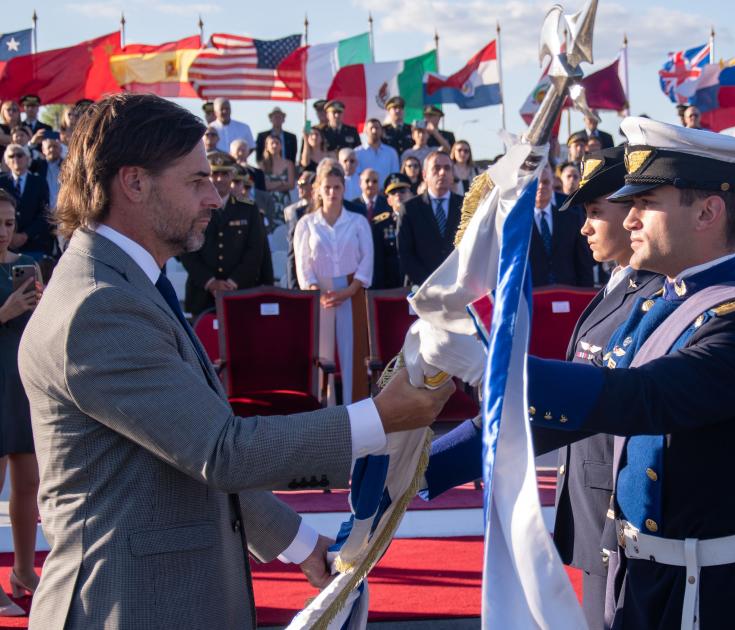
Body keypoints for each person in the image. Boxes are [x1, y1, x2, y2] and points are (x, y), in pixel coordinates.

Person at [18, 94, 452, 629]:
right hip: (126, 604)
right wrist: (380, 418)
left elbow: (180, 449)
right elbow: (218, 450)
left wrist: (297, 543)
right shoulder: (100, 305)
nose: (214, 198)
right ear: (133, 183)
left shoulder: (123, 284)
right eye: (196, 181)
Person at [430, 118, 735, 629]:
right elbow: (573, 418)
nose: (629, 219)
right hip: (643, 585)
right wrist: (424, 466)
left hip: (722, 596)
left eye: (646, 203)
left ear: (707, 211)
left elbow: (637, 398)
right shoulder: (660, 303)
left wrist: (495, 365)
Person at [294, 163, 374, 405]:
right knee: (321, 355)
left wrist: (350, 290)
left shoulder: (358, 222)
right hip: (321, 293)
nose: (332, 192)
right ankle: (323, 411)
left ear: (344, 188)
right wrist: (315, 290)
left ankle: (356, 410)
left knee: (354, 355)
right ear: (318, 189)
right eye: (327, 187)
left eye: (336, 187)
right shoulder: (306, 224)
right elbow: (302, 264)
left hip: (353, 291)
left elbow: (368, 258)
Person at [0, 190, 43, 617]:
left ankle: (25, 570)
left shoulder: (25, 267)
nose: (3, 231)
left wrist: (40, 305)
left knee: (29, 483)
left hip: (22, 381)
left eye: (9, 224)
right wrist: (5, 309)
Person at [179, 152, 269, 316]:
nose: (219, 179)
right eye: (215, 174)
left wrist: (232, 283)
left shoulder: (248, 209)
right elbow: (187, 250)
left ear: (232, 176)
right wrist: (211, 282)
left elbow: (255, 251)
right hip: (202, 295)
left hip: (240, 293)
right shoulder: (192, 207)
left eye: (225, 174)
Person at [397, 150, 462, 286]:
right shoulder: (409, 209)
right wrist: (430, 283)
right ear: (425, 175)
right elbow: (405, 253)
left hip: (458, 286)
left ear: (452, 174)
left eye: (447, 168)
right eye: (436, 168)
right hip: (422, 288)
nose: (442, 173)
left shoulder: (466, 206)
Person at [529, 165, 594, 287]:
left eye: (545, 182)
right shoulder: (519, 218)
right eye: (536, 182)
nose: (541, 186)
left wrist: (587, 297)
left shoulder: (571, 211)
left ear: (553, 181)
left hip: (568, 292)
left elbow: (583, 259)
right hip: (534, 296)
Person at [0, 144, 53, 257]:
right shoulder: (1, 182)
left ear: (27, 159)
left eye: (19, 155)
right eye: (11, 156)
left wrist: (25, 235)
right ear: (6, 162)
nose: (16, 159)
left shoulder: (39, 182)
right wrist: (11, 235)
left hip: (34, 245)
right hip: (5, 246)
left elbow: (45, 213)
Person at [371, 172, 413, 290]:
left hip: (417, 285)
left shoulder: (421, 220)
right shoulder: (380, 224)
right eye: (393, 193)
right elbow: (378, 262)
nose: (398, 195)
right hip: (390, 286)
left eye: (403, 191)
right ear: (388, 200)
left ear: (411, 194)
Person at [284, 170, 317, 289]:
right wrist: (292, 286)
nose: (299, 187)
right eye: (298, 184)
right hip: (305, 281)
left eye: (303, 183)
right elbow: (293, 253)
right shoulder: (295, 213)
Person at [259, 134, 297, 223]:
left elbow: (291, 185)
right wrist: (282, 182)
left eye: (277, 143)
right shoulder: (263, 165)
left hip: (284, 202)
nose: (274, 145)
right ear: (267, 146)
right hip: (268, 202)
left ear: (281, 146)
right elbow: (264, 185)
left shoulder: (288, 164)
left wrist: (273, 184)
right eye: (272, 143)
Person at [354, 119, 399, 183]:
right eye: (371, 128)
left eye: (377, 128)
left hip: (386, 191)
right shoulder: (357, 153)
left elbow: (395, 175)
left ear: (382, 131)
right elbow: (356, 175)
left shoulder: (391, 153)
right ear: (365, 131)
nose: (374, 131)